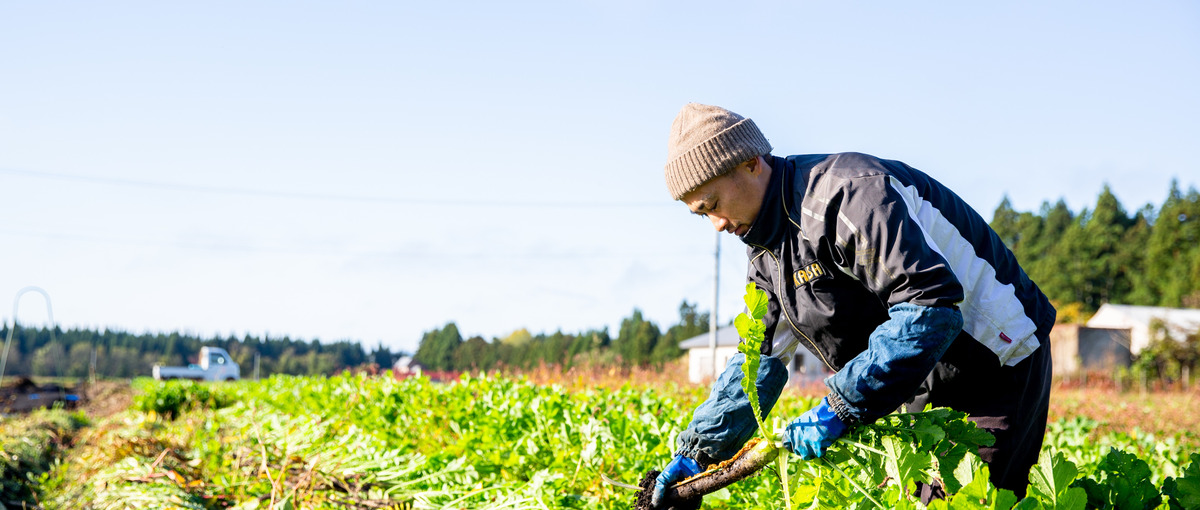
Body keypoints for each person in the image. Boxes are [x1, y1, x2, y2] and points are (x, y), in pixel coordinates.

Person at [651, 103, 1054, 507]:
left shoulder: (849, 196)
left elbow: (929, 305)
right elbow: (758, 359)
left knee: (972, 502)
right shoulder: (765, 250)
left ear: (751, 163)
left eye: (713, 204)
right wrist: (699, 452)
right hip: (917, 375)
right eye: (701, 215)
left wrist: (842, 404)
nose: (717, 224)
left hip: (994, 359)